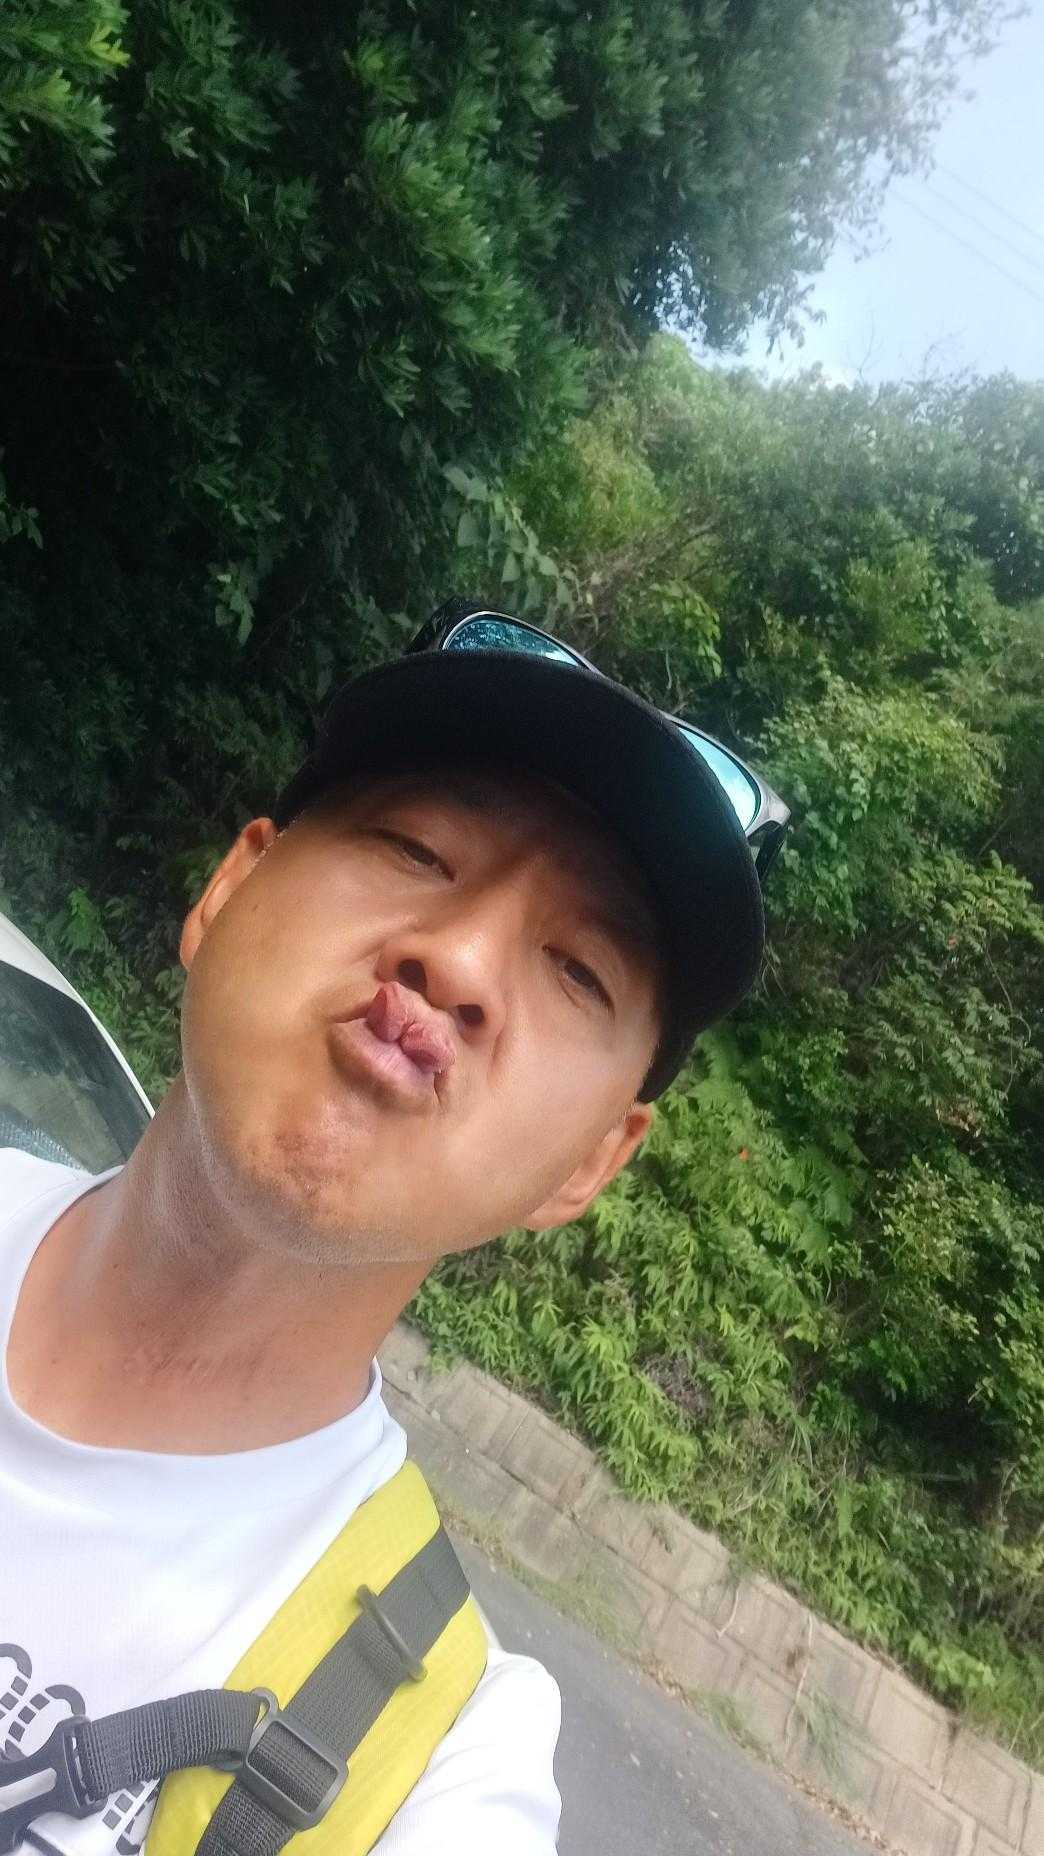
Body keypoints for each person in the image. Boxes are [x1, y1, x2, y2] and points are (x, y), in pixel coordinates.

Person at [0, 599, 789, 1854]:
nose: (461, 960)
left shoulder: (439, 1763)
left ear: (592, 1161)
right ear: (228, 888)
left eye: (578, 969)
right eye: (418, 849)